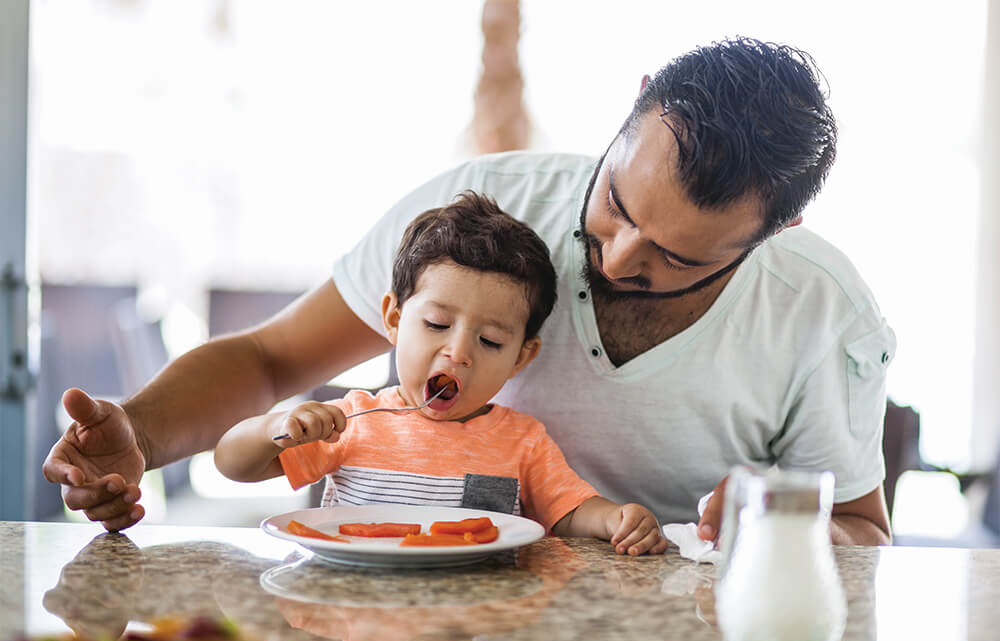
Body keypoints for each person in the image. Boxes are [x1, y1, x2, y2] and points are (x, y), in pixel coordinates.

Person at [43, 37, 894, 545]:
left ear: (773, 234)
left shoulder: (819, 308)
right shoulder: (484, 206)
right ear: (635, 104)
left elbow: (863, 528)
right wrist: (139, 436)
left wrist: (779, 525)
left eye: (674, 257)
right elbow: (271, 360)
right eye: (616, 203)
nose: (619, 252)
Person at [213, 192, 667, 555]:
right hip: (355, 611)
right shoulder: (350, 421)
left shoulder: (522, 441)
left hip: (476, 620)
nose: (459, 352)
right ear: (393, 319)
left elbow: (570, 510)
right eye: (436, 325)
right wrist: (275, 428)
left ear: (521, 357)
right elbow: (232, 465)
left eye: (490, 341)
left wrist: (615, 519)